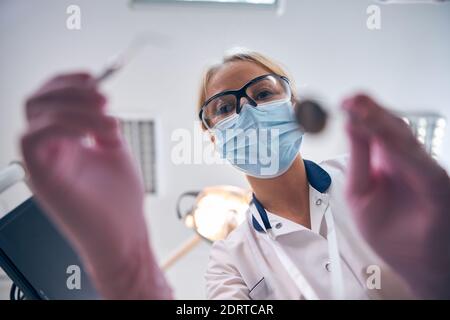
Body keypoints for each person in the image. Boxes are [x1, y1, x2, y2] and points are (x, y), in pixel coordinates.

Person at [20, 49, 450, 300]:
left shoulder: (372, 182)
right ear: (212, 137)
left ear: (293, 102)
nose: (244, 109)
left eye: (262, 93)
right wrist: (125, 265)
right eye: (224, 108)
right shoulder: (230, 261)